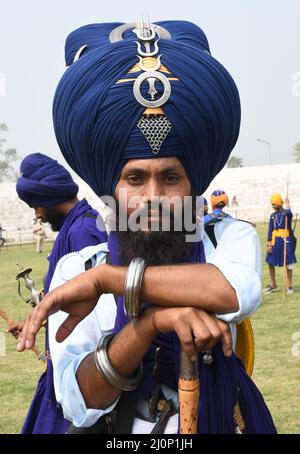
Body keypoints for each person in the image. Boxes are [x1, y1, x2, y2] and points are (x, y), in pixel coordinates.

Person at [17, 20, 276, 434]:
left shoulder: (224, 238)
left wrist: (108, 281)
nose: (153, 196)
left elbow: (229, 290)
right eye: (135, 179)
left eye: (171, 177)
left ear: (193, 183)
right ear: (111, 188)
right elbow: (82, 400)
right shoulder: (77, 269)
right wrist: (149, 324)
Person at [10, 152, 107, 434]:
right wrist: (34, 320)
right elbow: (67, 297)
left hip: (80, 374)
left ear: (50, 197)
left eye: (36, 205)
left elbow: (91, 312)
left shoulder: (81, 232)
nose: (37, 215)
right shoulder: (75, 226)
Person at [263, 194, 297, 295]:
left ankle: (290, 287)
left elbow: (290, 214)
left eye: (274, 204)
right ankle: (273, 285)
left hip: (285, 240)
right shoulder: (273, 216)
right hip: (274, 241)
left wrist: (288, 204)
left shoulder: (286, 213)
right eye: (272, 204)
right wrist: (269, 243)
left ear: (279, 203)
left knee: (289, 263)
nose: (273, 206)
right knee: (270, 261)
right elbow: (270, 230)